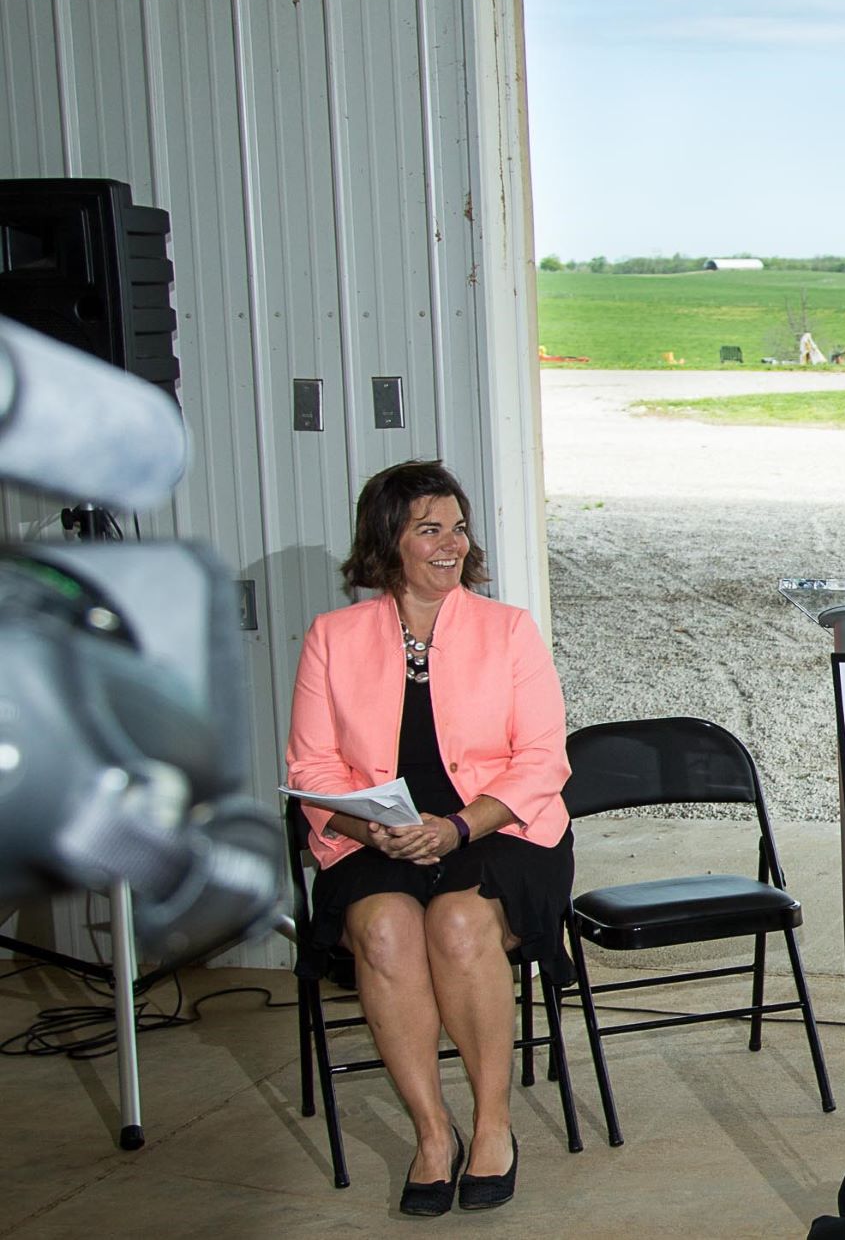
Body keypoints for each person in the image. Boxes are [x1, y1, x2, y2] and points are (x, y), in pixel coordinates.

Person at [287, 460, 573, 1217]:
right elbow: (312, 768)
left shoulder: (508, 630)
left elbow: (544, 760)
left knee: (454, 924)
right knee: (383, 930)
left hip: (495, 829)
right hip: (374, 839)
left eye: (458, 526)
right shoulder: (332, 637)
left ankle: (491, 1125)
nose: (451, 544)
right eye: (429, 529)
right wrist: (371, 830)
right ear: (389, 542)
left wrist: (454, 829)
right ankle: (432, 1131)